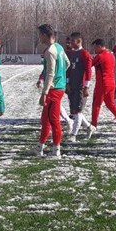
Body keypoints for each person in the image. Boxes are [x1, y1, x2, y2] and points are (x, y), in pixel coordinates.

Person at [37, 24, 70, 158]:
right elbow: (67, 63)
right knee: (45, 119)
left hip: (54, 90)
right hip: (58, 87)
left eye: (40, 35)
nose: (39, 38)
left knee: (53, 119)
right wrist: (60, 75)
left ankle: (56, 150)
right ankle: (40, 147)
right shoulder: (59, 47)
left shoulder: (50, 51)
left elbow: (51, 73)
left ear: (45, 35)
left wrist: (44, 93)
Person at [90, 39, 116, 133]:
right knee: (110, 104)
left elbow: (89, 64)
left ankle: (94, 124)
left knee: (96, 104)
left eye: (95, 47)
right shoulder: (111, 54)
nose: (94, 50)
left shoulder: (100, 56)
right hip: (111, 82)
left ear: (99, 46)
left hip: (102, 83)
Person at [65, 32, 93, 141]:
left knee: (78, 110)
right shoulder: (73, 54)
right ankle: (89, 127)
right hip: (72, 85)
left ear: (79, 41)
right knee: (73, 110)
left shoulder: (85, 54)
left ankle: (73, 134)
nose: (70, 43)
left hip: (80, 86)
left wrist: (86, 86)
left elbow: (88, 71)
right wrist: (68, 82)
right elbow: (69, 69)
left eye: (73, 41)